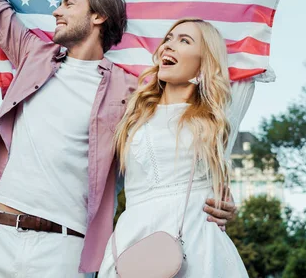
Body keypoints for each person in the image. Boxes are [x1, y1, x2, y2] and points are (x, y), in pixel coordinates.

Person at [0, 0, 241, 277]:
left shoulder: (132, 91)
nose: (55, 11)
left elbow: (184, 122)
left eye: (69, 4)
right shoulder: (34, 56)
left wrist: (217, 200)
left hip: (64, 248)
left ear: (98, 16)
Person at [98, 16, 282, 276]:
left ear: (203, 63)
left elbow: (252, 57)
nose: (168, 46)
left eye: (184, 41)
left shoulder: (216, 119)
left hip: (197, 245)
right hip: (134, 244)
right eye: (168, 39)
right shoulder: (131, 113)